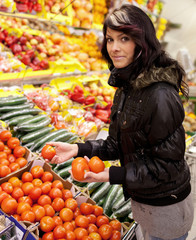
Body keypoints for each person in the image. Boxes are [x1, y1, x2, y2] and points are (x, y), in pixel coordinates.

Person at [46, 4, 194, 240]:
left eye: (124, 38)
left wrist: (109, 175)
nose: (114, 48)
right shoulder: (127, 85)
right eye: (109, 39)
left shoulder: (160, 95)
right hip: (142, 199)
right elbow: (115, 144)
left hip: (166, 206)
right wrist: (77, 149)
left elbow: (165, 168)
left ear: (141, 41)